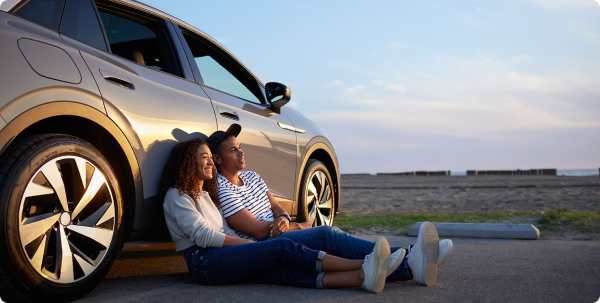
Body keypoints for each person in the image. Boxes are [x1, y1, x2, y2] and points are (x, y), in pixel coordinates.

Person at [208, 124, 453, 286]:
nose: (241, 153)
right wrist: (295, 226)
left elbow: (276, 208)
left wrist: (284, 219)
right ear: (217, 159)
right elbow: (259, 231)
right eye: (233, 151)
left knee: (331, 241)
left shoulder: (253, 177)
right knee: (327, 234)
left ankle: (410, 265)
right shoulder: (222, 188)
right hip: (266, 245)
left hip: (280, 232)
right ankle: (412, 256)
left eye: (240, 147)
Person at [159, 138, 403, 293]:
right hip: (204, 263)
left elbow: (224, 230)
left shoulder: (205, 194)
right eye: (205, 158)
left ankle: (363, 277)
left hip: (220, 256)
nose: (211, 162)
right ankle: (365, 264)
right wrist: (250, 246)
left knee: (283, 272)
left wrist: (254, 248)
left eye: (211, 158)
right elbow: (204, 237)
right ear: (187, 164)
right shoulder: (176, 196)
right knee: (281, 249)